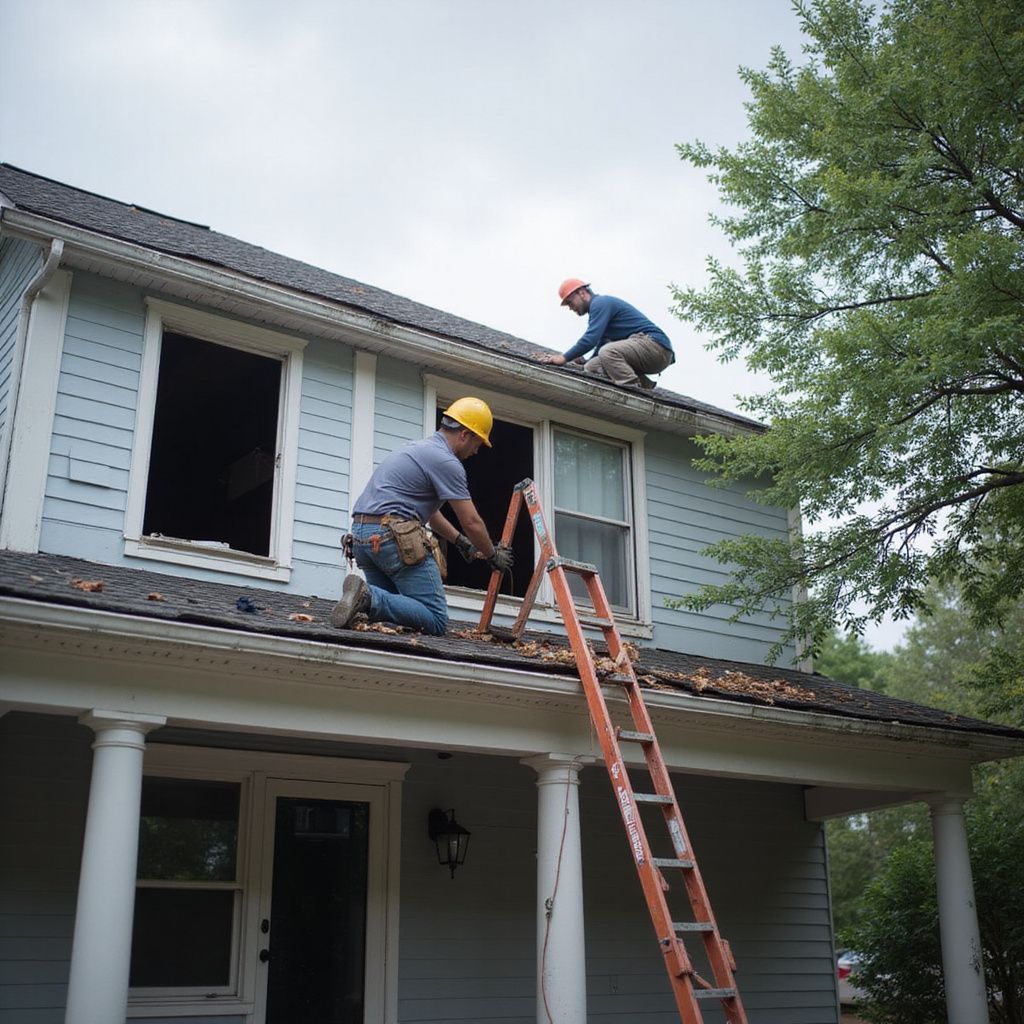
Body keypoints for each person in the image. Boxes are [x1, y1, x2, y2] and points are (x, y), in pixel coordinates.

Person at [330, 397, 514, 635]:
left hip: (362, 537)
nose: (476, 451)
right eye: (478, 443)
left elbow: (432, 514)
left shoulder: (417, 449)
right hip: (389, 537)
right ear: (465, 434)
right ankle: (368, 597)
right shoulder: (447, 462)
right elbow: (472, 521)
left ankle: (364, 601)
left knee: (396, 617)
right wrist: (492, 554)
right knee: (435, 618)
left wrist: (460, 542)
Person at [537, 278, 674, 389]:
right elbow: (599, 346)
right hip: (646, 353)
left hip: (656, 346)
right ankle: (644, 385)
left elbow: (590, 339)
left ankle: (631, 389)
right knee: (591, 367)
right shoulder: (600, 312)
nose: (570, 308)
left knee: (608, 351)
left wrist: (564, 358)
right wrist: (585, 362)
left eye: (570, 302)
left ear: (582, 293)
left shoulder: (600, 303)